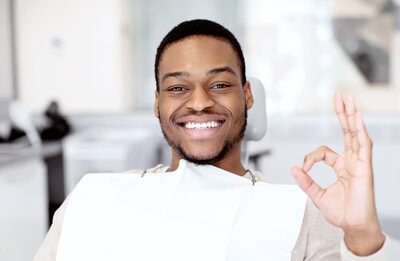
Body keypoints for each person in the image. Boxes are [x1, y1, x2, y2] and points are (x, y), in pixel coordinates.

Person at [33, 19, 391, 260]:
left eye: (220, 85)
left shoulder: (304, 214)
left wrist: (361, 234)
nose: (201, 102)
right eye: (177, 88)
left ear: (247, 95)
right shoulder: (93, 199)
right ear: (158, 103)